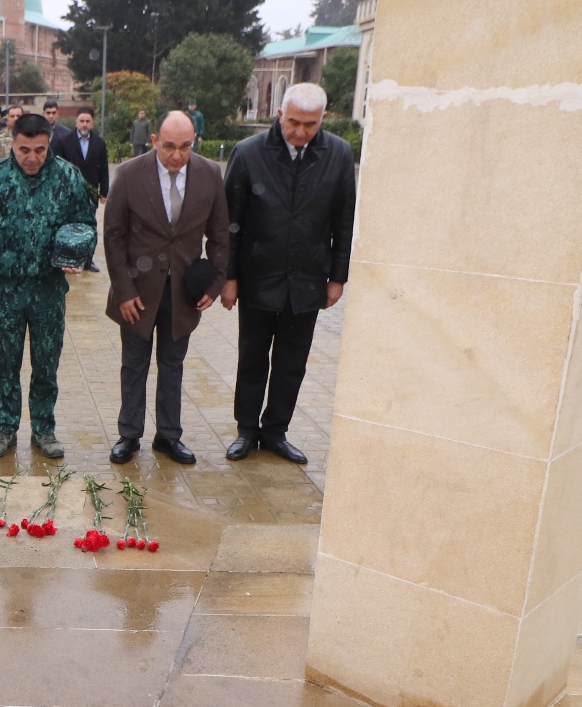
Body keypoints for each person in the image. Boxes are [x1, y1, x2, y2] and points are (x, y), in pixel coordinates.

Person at [222, 82, 355, 464]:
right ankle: (247, 430)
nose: (300, 131)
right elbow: (229, 222)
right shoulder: (248, 153)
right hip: (258, 274)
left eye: (310, 125)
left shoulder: (339, 154)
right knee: (252, 357)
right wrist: (228, 277)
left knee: (292, 362)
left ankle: (275, 432)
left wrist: (337, 278)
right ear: (280, 114)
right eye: (293, 122)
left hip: (308, 278)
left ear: (322, 119)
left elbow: (344, 221)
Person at [0, 112, 95, 460]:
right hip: (5, 290)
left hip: (48, 288)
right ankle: (5, 427)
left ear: (49, 142)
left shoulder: (68, 176)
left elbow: (85, 223)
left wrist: (79, 254)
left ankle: (43, 428)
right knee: (6, 363)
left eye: (40, 149)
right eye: (24, 149)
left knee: (46, 364)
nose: (32, 157)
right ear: (12, 141)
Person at [105, 112, 228, 465]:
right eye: (170, 146)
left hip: (183, 292)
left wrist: (216, 284)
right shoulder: (129, 174)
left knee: (173, 365)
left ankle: (169, 436)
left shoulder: (210, 174)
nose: (177, 155)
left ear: (195, 141)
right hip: (137, 291)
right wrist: (124, 290)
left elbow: (220, 234)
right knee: (134, 364)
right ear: (155, 140)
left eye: (186, 147)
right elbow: (114, 236)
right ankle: (129, 435)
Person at [51, 109, 110, 272]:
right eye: (82, 121)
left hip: (90, 193)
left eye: (87, 121)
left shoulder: (99, 143)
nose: (84, 124)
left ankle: (87, 260)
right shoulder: (63, 141)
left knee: (88, 227)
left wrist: (104, 192)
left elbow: (104, 168)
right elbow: (55, 167)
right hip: (67, 192)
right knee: (66, 225)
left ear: (92, 123)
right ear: (76, 122)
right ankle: (65, 258)